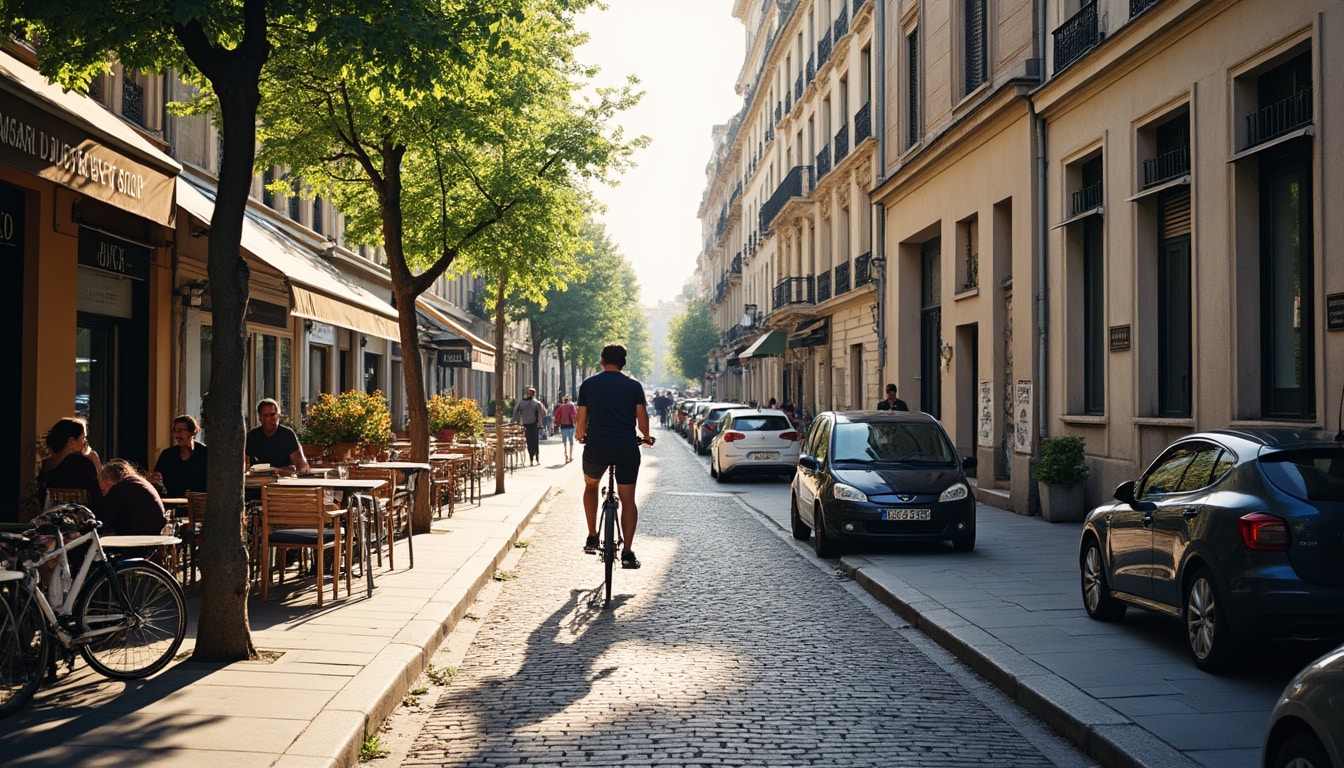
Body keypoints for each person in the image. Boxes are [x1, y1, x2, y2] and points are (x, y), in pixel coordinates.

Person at [575, 343, 654, 569]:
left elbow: (581, 420)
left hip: (597, 447)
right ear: (624, 362)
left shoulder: (588, 385)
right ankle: (627, 552)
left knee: (591, 486)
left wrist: (580, 435)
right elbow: (642, 418)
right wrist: (646, 437)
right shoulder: (634, 386)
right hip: (625, 448)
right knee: (628, 500)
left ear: (602, 360)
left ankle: (592, 535)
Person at [38, 416, 102, 508]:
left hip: (51, 514)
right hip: (80, 515)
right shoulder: (83, 465)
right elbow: (97, 497)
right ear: (71, 442)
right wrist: (97, 465)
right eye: (83, 438)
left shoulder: (46, 465)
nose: (85, 443)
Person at [97, 459, 169, 536]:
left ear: (109, 481)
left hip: (139, 537)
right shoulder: (136, 483)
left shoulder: (120, 488)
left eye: (103, 490)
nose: (103, 494)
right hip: (153, 534)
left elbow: (104, 518)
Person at [245, 398, 310, 475]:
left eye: (272, 415)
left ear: (278, 416)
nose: (268, 419)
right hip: (257, 480)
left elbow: (303, 467)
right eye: (265, 415)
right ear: (259, 418)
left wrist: (278, 471)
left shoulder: (287, 435)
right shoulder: (252, 436)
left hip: (283, 480)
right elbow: (241, 464)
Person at [149, 414, 209, 497]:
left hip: (200, 503)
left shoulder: (204, 453)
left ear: (194, 431)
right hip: (173, 502)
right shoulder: (167, 455)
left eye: (181, 430)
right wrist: (156, 483)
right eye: (175, 431)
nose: (176, 435)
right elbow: (159, 486)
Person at [513, 387, 546, 466]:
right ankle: (537, 458)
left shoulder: (521, 402)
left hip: (525, 425)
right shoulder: (537, 403)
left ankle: (531, 459)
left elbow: (516, 413)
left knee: (529, 442)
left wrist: (515, 422)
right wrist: (540, 422)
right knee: (535, 442)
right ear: (534, 394)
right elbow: (542, 414)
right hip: (534, 425)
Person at [553, 394, 579, 463]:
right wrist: (575, 422)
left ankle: (566, 454)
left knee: (564, 442)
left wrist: (556, 422)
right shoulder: (571, 405)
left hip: (563, 426)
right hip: (571, 426)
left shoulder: (561, 406)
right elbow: (575, 414)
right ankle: (571, 456)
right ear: (569, 399)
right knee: (571, 441)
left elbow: (556, 414)